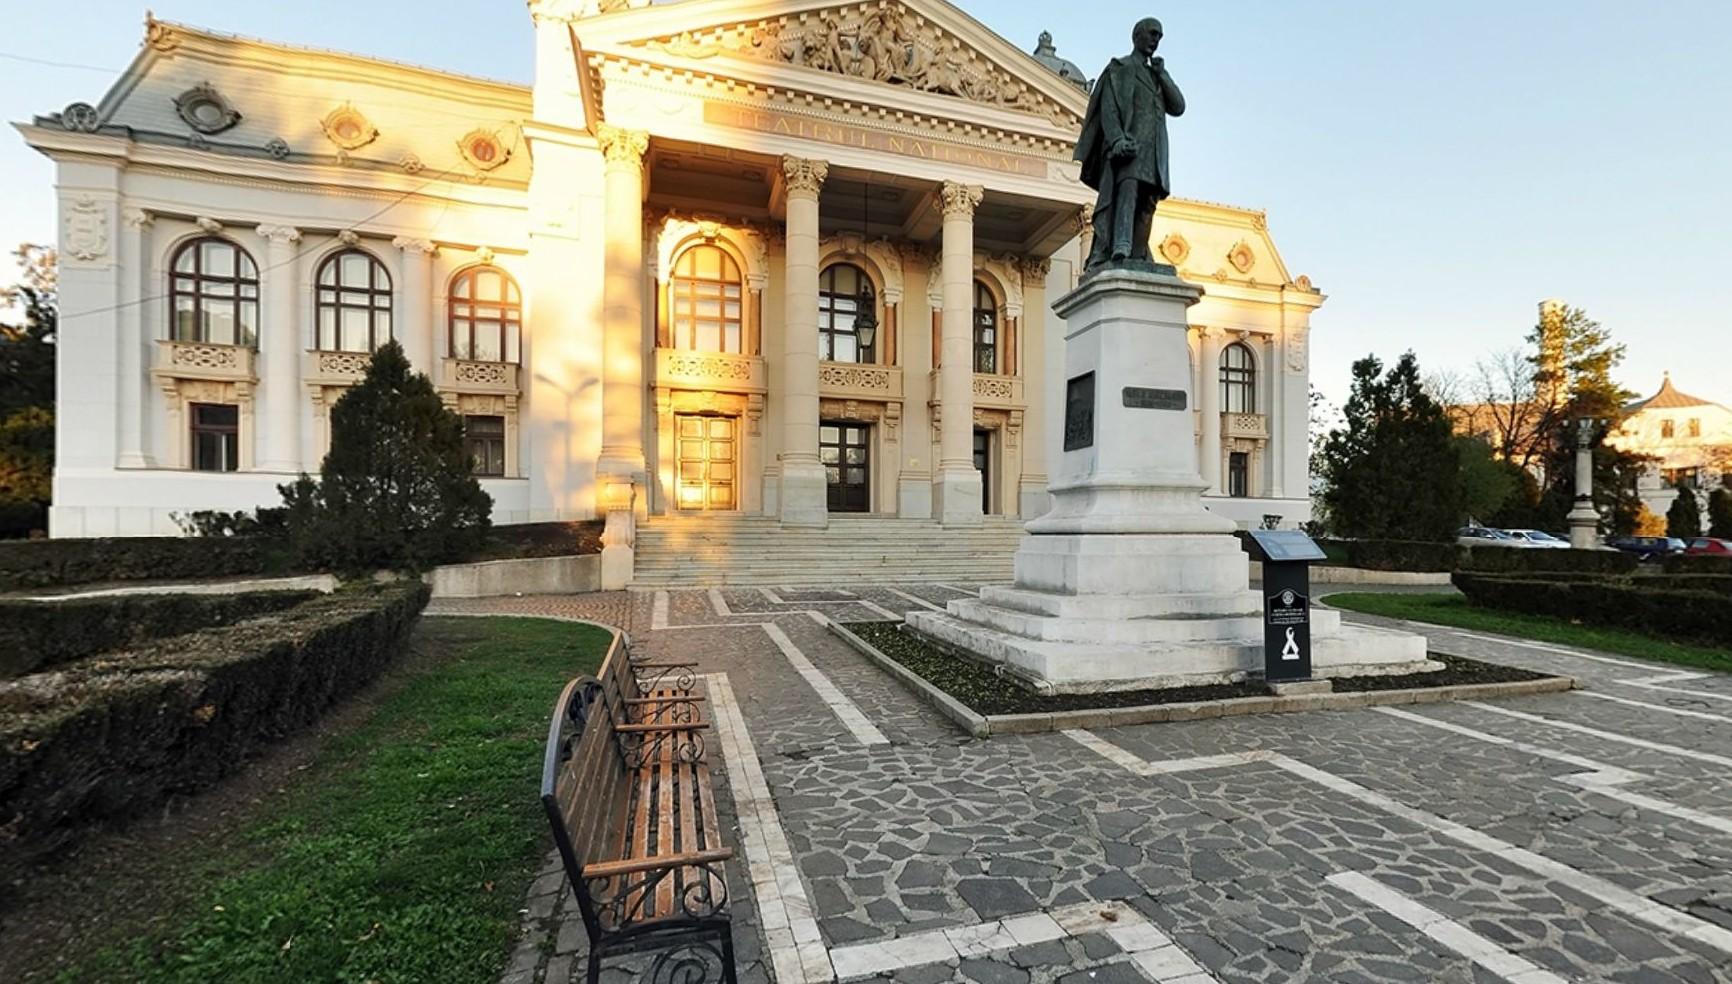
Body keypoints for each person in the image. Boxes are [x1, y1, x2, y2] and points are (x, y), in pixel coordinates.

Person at [1074, 17, 1186, 271]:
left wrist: (1162, 74)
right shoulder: (1121, 68)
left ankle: (1138, 251)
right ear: (1137, 36)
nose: (1156, 40)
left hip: (1154, 152)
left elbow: (1178, 106)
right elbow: (1109, 108)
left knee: (1148, 203)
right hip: (1130, 147)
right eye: (1152, 34)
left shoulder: (1157, 76)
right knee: (1128, 192)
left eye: (1159, 36)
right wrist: (1117, 139)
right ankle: (1121, 245)